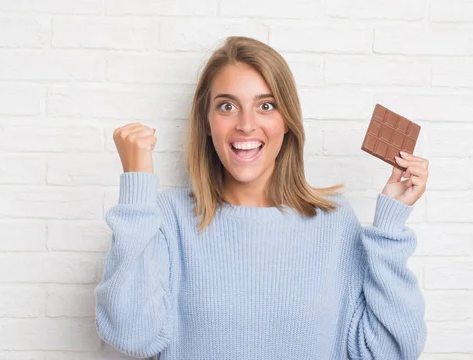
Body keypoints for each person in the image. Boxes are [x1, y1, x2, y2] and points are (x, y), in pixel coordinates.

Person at [94, 36, 428, 360]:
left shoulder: (335, 221)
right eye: (227, 106)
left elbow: (390, 352)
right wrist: (137, 187)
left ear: (287, 121)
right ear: (207, 122)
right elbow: (133, 336)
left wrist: (389, 227)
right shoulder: (170, 217)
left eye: (266, 106)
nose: (246, 125)